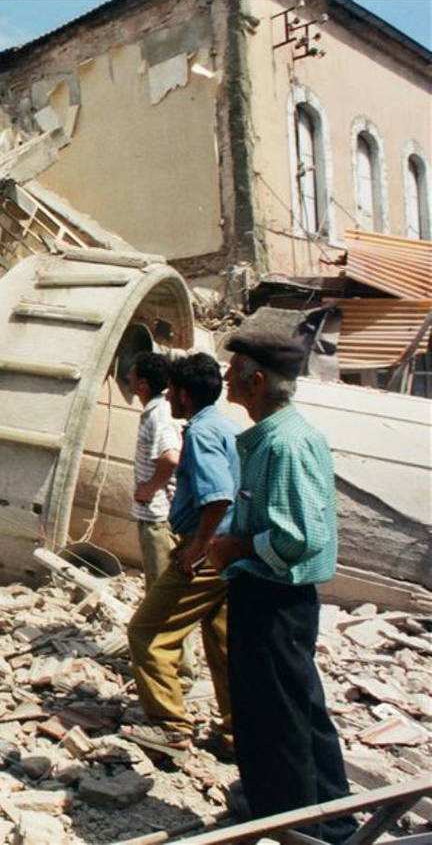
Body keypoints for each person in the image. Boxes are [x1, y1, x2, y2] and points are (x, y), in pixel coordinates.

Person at [208, 331, 357, 843]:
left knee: (280, 716)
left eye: (234, 372)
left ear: (255, 380)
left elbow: (299, 537)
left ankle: (303, 825)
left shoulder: (284, 442)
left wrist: (235, 548)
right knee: (290, 707)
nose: (226, 380)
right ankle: (313, 814)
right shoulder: (277, 435)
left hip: (274, 598)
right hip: (271, 596)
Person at [125, 352, 237, 754]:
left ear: (185, 395)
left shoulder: (202, 433)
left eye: (173, 389)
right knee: (223, 645)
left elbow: (218, 496)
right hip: (228, 554)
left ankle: (171, 725)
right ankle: (235, 733)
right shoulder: (224, 426)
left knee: (147, 631)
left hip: (206, 553)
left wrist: (197, 548)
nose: (168, 395)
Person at [128, 353, 197, 680]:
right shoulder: (158, 410)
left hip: (157, 517)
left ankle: (177, 669)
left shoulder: (158, 413)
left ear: (142, 382)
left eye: (131, 376)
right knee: (162, 591)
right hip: (158, 514)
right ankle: (174, 661)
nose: (128, 381)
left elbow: (170, 458)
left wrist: (148, 489)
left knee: (162, 595)